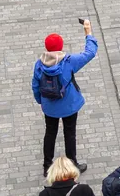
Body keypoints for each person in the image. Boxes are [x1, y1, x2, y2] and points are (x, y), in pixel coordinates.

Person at [32, 20, 98, 177]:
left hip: (50, 106)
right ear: (61, 47)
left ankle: (47, 165)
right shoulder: (69, 61)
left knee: (50, 132)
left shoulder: (39, 64)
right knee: (70, 133)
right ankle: (72, 164)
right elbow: (90, 53)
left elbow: (35, 86)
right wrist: (88, 32)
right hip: (69, 105)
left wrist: (41, 101)